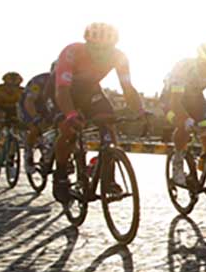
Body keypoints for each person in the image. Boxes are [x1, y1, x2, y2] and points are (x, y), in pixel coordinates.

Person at [49, 23, 144, 202]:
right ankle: (60, 174)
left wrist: (140, 111)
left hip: (90, 91)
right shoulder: (72, 52)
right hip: (62, 90)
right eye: (96, 48)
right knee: (67, 129)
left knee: (108, 123)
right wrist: (70, 114)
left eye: (106, 49)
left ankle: (109, 178)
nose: (100, 53)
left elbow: (127, 87)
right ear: (87, 43)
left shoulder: (119, 57)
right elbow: (62, 90)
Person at [163, 43, 206, 186]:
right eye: (205, 64)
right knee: (183, 125)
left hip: (195, 96)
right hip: (172, 96)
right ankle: (177, 163)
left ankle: (205, 166)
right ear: (198, 60)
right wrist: (186, 119)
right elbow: (175, 102)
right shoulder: (184, 68)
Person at [19, 71, 55, 166]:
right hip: (30, 104)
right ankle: (28, 152)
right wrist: (35, 117)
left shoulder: (71, 79)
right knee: (35, 128)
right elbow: (29, 101)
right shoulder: (39, 81)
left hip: (48, 105)